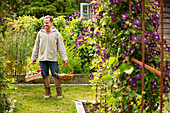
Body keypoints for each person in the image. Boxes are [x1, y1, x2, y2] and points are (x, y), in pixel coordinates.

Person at [31, 15, 68, 99]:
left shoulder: (56, 33)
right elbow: (36, 46)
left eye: (47, 23)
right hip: (42, 58)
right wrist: (34, 57)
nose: (45, 25)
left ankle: (59, 92)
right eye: (44, 23)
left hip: (53, 58)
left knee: (56, 75)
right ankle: (47, 93)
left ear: (51, 23)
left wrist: (64, 59)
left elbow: (61, 47)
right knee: (45, 75)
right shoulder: (40, 33)